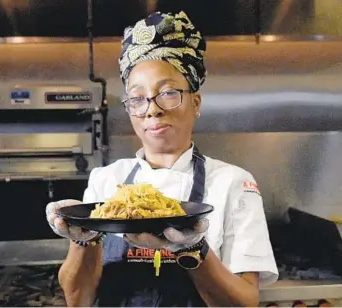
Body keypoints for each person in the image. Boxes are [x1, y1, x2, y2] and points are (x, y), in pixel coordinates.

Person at [46, 11, 278, 307]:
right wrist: (82, 239)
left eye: (167, 93)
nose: (152, 109)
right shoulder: (107, 181)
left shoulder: (235, 183)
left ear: (195, 102)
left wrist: (193, 248)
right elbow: (78, 300)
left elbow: (244, 303)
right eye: (137, 98)